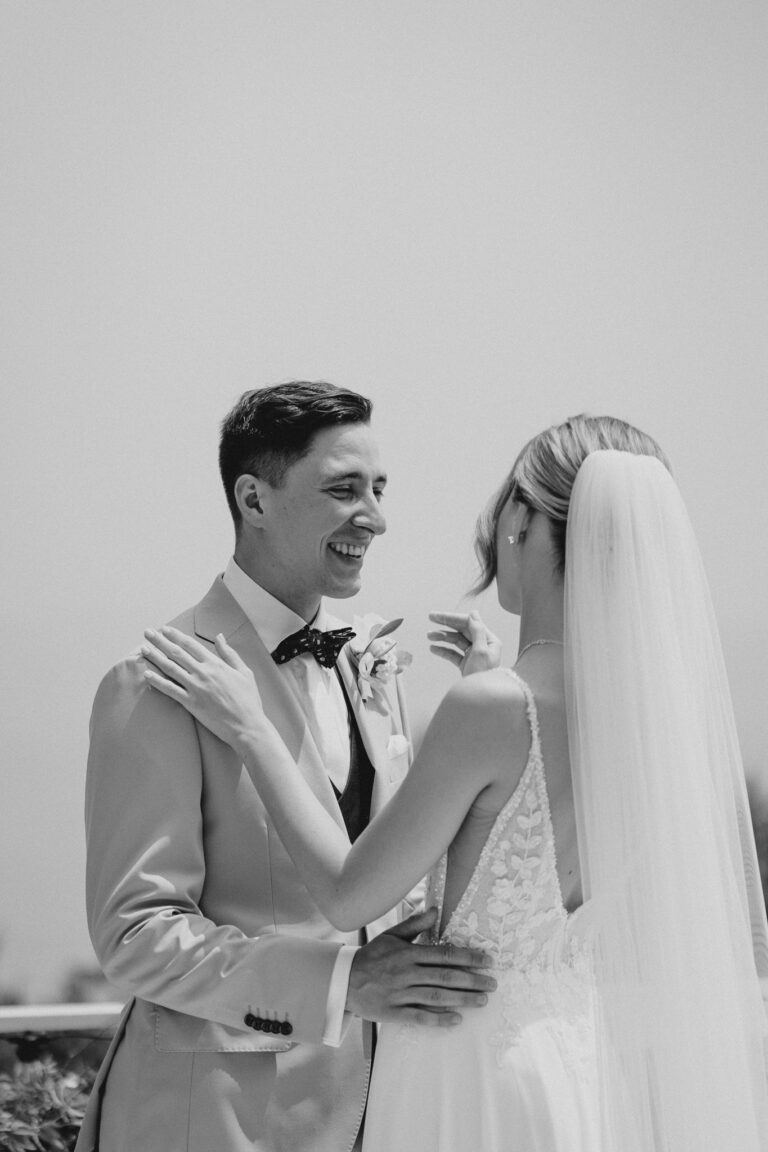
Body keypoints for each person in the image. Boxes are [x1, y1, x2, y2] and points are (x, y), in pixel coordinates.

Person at [144, 412, 768, 1152]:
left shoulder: (496, 708)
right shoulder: (640, 722)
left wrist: (251, 724)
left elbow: (350, 893)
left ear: (522, 520)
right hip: (574, 1065)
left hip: (470, 1072)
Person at [75, 382, 495, 1152]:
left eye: (378, 489)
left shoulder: (369, 663)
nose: (374, 516)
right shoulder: (156, 682)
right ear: (254, 499)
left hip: (370, 1109)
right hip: (210, 1119)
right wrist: (342, 985)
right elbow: (136, 934)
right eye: (343, 489)